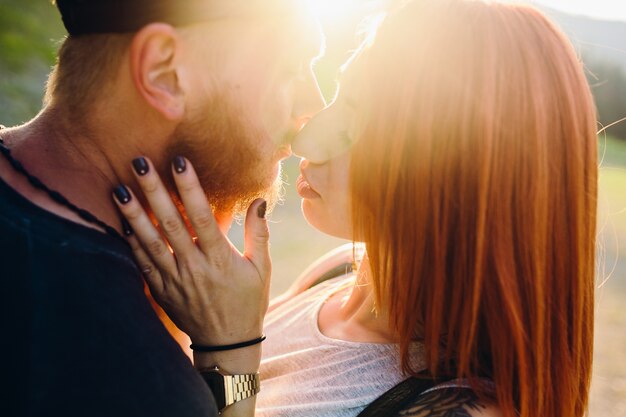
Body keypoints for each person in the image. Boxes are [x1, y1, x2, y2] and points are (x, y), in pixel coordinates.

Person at [117, 0, 599, 416]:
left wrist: (229, 350)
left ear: (453, 168)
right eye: (338, 97)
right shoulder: (336, 274)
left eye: (353, 122)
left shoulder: (461, 407)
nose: (306, 138)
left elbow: (224, 371)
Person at [0, 0, 324, 416]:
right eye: (291, 68)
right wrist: (233, 356)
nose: (312, 108)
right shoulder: (135, 386)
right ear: (164, 73)